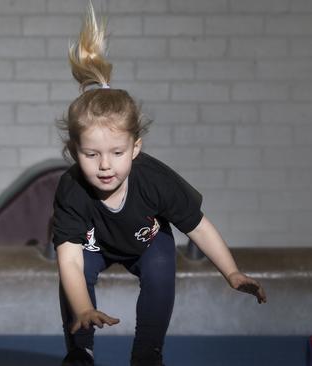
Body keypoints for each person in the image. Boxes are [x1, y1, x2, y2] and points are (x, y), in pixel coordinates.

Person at [52, 4, 266, 366]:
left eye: (117, 152)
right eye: (91, 155)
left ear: (136, 148)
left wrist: (230, 271)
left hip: (146, 241)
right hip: (94, 246)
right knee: (77, 276)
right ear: (74, 151)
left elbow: (198, 226)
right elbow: (69, 261)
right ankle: (80, 349)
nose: (105, 165)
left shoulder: (155, 180)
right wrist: (85, 308)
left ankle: (147, 352)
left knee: (162, 266)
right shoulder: (72, 189)